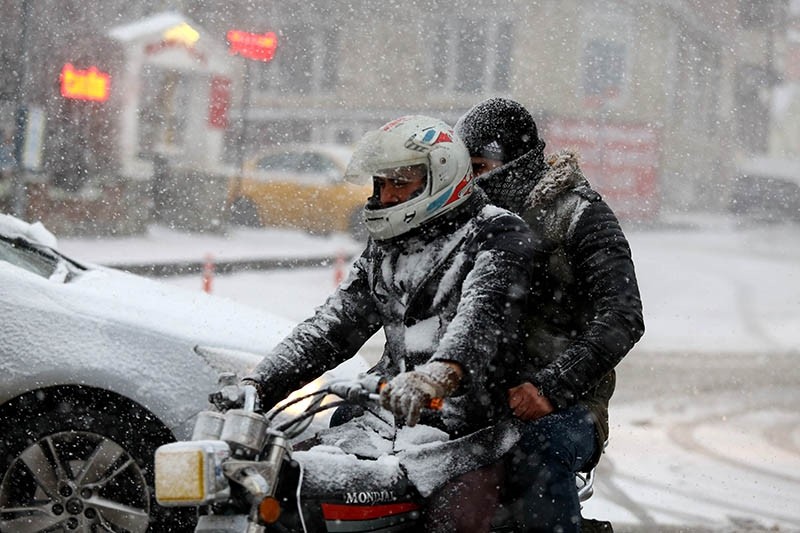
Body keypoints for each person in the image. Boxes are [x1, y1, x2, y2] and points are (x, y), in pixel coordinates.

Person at [227, 115, 538, 532]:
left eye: (400, 183)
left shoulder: (498, 234)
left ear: (439, 177)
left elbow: (480, 321)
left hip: (468, 438)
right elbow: (333, 326)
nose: (386, 196)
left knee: (452, 523)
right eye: (381, 184)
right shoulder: (386, 246)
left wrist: (439, 376)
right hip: (378, 426)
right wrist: (258, 385)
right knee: (285, 492)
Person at [455, 98, 645, 532]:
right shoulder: (465, 220)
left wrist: (551, 388)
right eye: (464, 172)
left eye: (480, 169)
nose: (471, 184)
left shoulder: (580, 214)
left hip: (569, 405)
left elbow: (623, 315)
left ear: (517, 163)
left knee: (537, 452)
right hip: (476, 396)